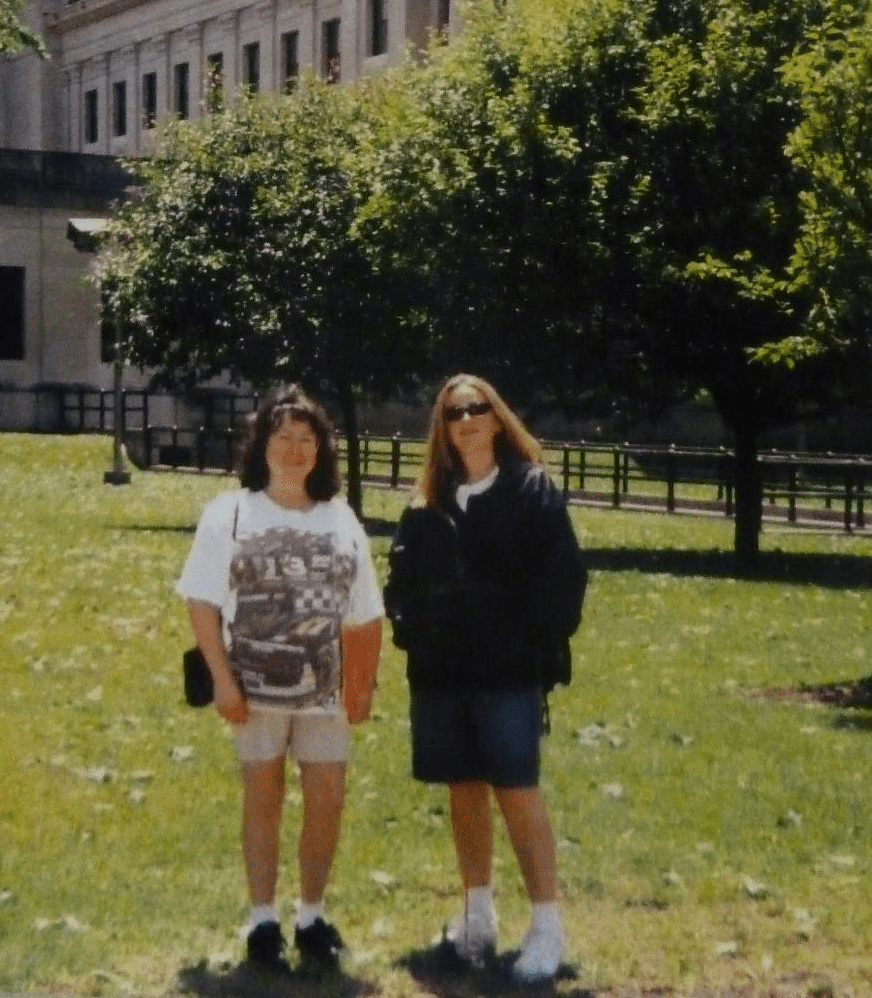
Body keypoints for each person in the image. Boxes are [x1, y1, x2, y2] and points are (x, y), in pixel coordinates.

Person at [384, 374, 587, 983]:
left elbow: (563, 584)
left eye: (477, 409)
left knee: (516, 790)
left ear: (498, 418)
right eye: (453, 413)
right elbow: (402, 583)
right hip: (442, 674)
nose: (467, 420)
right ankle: (477, 919)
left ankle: (547, 927)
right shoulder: (429, 500)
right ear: (441, 427)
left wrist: (527, 645)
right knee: (463, 790)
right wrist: (413, 628)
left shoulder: (533, 491)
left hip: (508, 673)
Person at [175, 385, 383, 969]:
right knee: (262, 801)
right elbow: (201, 602)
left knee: (326, 802)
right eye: (283, 437)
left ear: (321, 451)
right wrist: (222, 679)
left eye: (306, 439)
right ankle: (262, 921)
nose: (294, 449)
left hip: (326, 695)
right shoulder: (230, 512)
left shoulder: (339, 517)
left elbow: (365, 610)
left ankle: (312, 916)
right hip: (254, 691)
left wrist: (361, 687)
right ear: (261, 444)